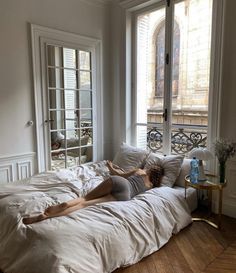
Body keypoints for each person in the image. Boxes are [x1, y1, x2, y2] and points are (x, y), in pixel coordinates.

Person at [23, 161, 164, 225]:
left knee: (84, 197)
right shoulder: (151, 187)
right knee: (84, 205)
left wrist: (110, 166)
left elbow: (119, 174)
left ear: (151, 169)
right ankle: (46, 217)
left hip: (120, 183)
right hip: (125, 196)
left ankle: (60, 206)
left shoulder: (140, 171)